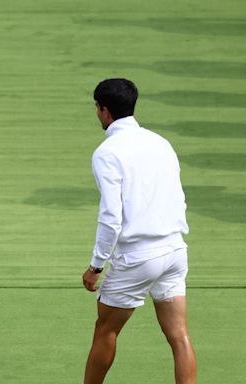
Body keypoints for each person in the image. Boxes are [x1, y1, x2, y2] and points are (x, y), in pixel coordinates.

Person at [82, 79, 197, 383]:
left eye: (97, 108)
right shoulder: (161, 142)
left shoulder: (106, 153)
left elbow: (111, 215)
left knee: (105, 330)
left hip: (138, 257)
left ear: (104, 111)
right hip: (175, 251)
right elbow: (178, 195)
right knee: (179, 336)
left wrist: (96, 265)